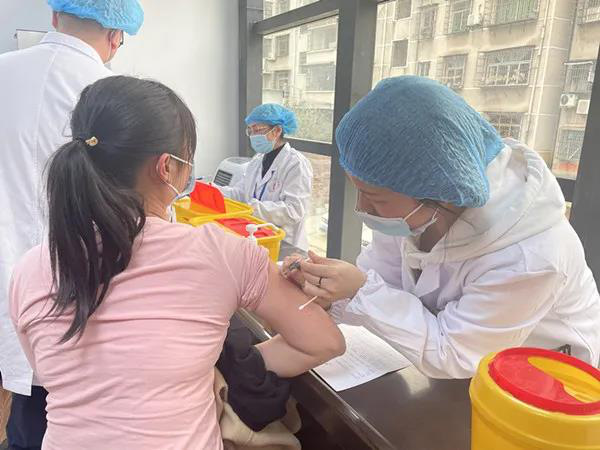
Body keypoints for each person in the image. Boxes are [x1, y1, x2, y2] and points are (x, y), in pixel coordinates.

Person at [8, 76, 344, 450]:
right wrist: (211, 364)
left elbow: (48, 370)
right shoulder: (223, 254)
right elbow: (324, 342)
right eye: (188, 158)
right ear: (166, 167)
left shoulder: (29, 270)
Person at [283, 76, 600, 379]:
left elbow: (457, 352)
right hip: (462, 370)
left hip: (544, 380)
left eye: (374, 197)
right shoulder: (415, 207)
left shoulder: (529, 256)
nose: (362, 208)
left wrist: (358, 292)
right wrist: (330, 292)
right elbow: (381, 281)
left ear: (438, 192)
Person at [0, 1, 143, 448]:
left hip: (7, 277)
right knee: (71, 407)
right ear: (116, 37)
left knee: (25, 410)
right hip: (80, 282)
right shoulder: (114, 96)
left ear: (55, 17)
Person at [219, 104, 313, 251]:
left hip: (285, 244)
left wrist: (252, 208)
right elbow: (240, 193)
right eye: (250, 130)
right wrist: (215, 191)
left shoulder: (296, 164)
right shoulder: (257, 160)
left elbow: (294, 210)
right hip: (257, 237)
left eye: (258, 130)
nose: (253, 136)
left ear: (277, 131)